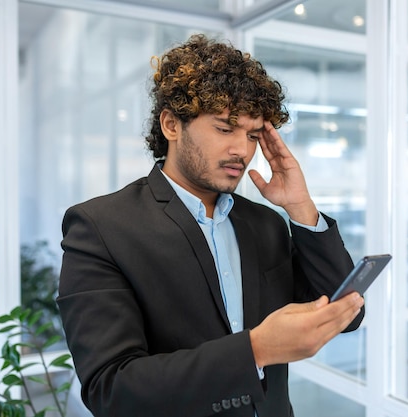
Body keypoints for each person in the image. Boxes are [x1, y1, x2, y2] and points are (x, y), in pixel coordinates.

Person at [57, 34, 365, 417]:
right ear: (171, 124)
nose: (243, 149)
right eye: (224, 129)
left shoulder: (265, 223)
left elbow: (345, 314)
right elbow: (112, 389)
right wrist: (256, 350)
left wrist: (301, 207)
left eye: (253, 135)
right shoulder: (100, 227)